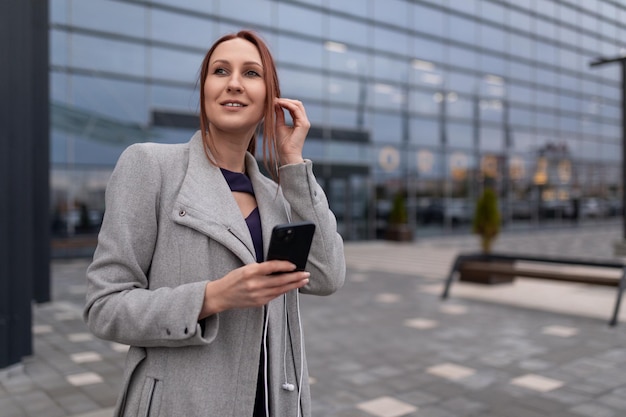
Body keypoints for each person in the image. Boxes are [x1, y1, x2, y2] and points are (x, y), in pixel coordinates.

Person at [83, 30, 345, 417]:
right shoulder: (150, 166)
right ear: (205, 90)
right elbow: (105, 307)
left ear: (270, 98)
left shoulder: (276, 195)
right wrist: (211, 297)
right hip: (181, 404)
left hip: (273, 402)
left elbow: (326, 276)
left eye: (251, 73)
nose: (234, 83)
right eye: (220, 71)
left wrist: (292, 164)